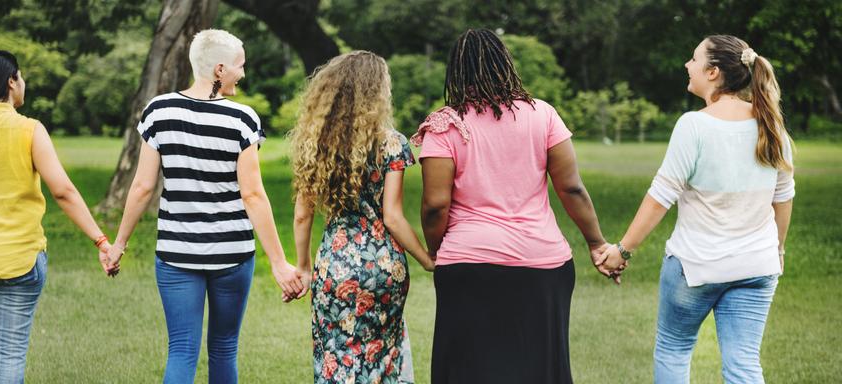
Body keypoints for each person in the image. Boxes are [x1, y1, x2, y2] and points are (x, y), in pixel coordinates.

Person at [103, 29, 304, 384]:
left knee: (181, 349)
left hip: (176, 253)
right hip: (233, 255)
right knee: (224, 348)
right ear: (220, 69)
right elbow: (253, 195)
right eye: (240, 66)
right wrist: (279, 263)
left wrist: (118, 245)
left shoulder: (158, 111)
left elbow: (143, 186)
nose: (243, 73)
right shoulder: (242, 119)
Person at [416, 29, 612, 383]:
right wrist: (596, 243)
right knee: (538, 368)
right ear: (505, 63)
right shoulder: (543, 115)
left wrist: (435, 249)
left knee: (468, 369)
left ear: (456, 72)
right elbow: (571, 188)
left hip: (469, 265)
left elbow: (434, 205)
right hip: (542, 264)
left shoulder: (445, 124)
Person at [596, 35, 795, 383]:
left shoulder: (694, 125)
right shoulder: (772, 124)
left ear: (713, 72)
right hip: (757, 266)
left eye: (693, 59)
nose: (688, 66)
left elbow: (661, 196)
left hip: (694, 267)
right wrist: (776, 249)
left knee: (674, 349)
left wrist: (622, 251)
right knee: (744, 364)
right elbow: (783, 197)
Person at [0, 50, 114, 383]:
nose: (24, 83)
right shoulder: (29, 129)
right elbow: (63, 191)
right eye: (20, 77)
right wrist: (101, 239)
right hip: (15, 258)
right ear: (11, 80)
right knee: (7, 349)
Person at [287, 50, 435, 384]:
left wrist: (304, 266)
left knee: (336, 355)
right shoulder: (393, 144)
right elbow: (393, 216)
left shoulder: (316, 143)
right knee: (383, 355)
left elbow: (301, 215)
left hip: (334, 265)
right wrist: (427, 259)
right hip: (383, 267)